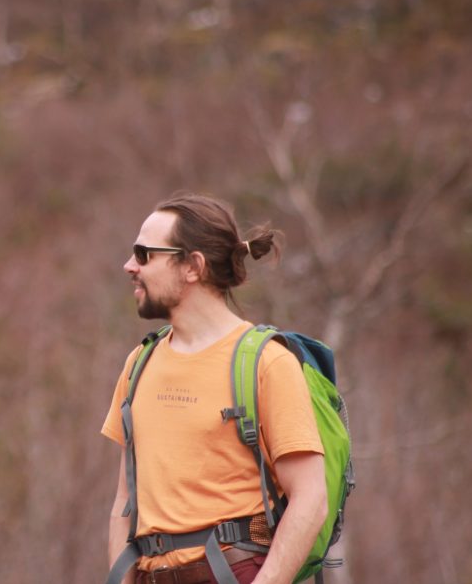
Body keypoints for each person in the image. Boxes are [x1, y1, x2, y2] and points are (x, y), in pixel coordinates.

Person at [103, 193, 327, 584]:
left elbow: (311, 499)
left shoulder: (267, 363)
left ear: (192, 266)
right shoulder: (139, 364)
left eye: (143, 254)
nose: (129, 266)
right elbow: (125, 502)